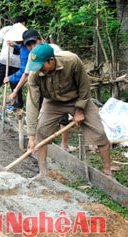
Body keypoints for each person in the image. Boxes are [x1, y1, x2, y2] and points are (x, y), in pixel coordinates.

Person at [26, 43, 112, 177]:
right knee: (40, 133)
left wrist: (79, 110)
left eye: (41, 66)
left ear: (51, 60)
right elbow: (32, 103)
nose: (39, 69)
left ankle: (108, 172)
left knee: (99, 133)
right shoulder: (35, 74)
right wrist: (31, 136)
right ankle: (43, 173)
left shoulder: (72, 61)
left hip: (78, 98)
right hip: (53, 102)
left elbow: (84, 86)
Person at [8, 29, 70, 151]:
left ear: (40, 39)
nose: (32, 47)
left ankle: (64, 144)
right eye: (29, 45)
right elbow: (26, 74)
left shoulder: (54, 50)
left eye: (34, 43)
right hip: (44, 88)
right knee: (41, 111)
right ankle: (41, 140)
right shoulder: (33, 56)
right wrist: (15, 90)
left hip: (61, 86)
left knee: (63, 115)